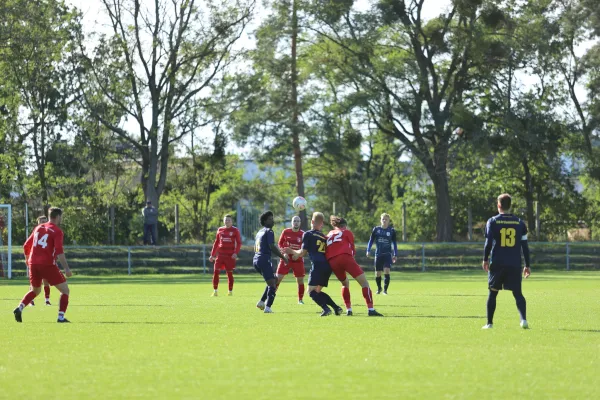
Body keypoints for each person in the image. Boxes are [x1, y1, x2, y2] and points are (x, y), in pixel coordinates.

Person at [14, 207, 73, 323]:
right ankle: (60, 317)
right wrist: (66, 268)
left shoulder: (38, 227)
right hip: (47, 265)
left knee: (35, 291)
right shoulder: (57, 231)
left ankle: (19, 307)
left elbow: (26, 246)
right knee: (65, 290)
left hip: (33, 263)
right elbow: (59, 251)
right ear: (58, 217)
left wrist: (28, 260)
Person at [482, 193, 531, 330]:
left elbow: (488, 244)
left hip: (497, 263)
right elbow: (525, 246)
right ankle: (524, 320)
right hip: (514, 263)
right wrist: (527, 265)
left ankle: (489, 323)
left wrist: (485, 259)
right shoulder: (520, 223)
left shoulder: (492, 221)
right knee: (518, 293)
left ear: (499, 205)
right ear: (510, 205)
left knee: (493, 292)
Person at [285, 212, 343, 316]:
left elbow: (303, 252)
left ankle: (326, 309)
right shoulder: (324, 237)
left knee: (311, 292)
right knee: (317, 292)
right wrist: (297, 254)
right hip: (327, 266)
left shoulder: (308, 234)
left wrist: (291, 251)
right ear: (321, 224)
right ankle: (336, 308)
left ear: (312, 221)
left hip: (317, 265)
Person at [326, 215, 383, 317]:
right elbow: (352, 250)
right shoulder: (347, 232)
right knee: (364, 283)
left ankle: (349, 310)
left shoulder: (329, 234)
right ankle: (371, 309)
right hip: (345, 257)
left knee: (344, 284)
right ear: (345, 226)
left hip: (332, 261)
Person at [253, 211, 288, 313]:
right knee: (272, 284)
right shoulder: (269, 231)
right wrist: (283, 257)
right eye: (270, 219)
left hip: (256, 260)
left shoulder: (259, 232)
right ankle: (268, 308)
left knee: (273, 279)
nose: (272, 221)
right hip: (263, 259)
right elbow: (271, 246)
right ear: (265, 221)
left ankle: (261, 302)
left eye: (272, 218)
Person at [209, 214, 241, 296]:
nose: (227, 221)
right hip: (220, 255)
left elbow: (239, 243)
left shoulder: (235, 230)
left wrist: (235, 253)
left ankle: (230, 291)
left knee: (229, 273)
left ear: (232, 221)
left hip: (230, 256)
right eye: (226, 220)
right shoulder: (220, 229)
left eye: (229, 220)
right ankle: (215, 291)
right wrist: (212, 255)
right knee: (216, 272)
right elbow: (216, 243)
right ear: (223, 221)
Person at [276, 216, 306, 304]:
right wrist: (283, 253)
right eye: (294, 221)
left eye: (298, 221)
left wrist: (299, 255)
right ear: (292, 222)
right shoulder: (286, 231)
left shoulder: (303, 234)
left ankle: (300, 300)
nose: (296, 222)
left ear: (300, 223)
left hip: (298, 260)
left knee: (300, 280)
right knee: (278, 278)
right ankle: (271, 295)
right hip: (286, 259)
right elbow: (280, 243)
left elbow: (305, 248)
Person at [366, 213, 398, 295]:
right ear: (380, 220)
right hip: (378, 254)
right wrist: (368, 250)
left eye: (386, 219)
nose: (384, 220)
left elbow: (394, 243)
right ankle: (379, 288)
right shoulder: (376, 229)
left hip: (387, 254)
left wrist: (395, 254)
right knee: (378, 273)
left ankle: (385, 290)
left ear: (388, 221)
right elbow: (371, 240)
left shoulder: (391, 231)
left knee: (387, 271)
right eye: (383, 219)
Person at [28, 215, 52, 306]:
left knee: (46, 281)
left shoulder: (49, 232)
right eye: (41, 221)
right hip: (34, 260)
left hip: (45, 261)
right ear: (38, 222)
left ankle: (47, 300)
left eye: (45, 220)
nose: (43, 222)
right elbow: (27, 245)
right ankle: (31, 300)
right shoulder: (36, 232)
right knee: (33, 283)